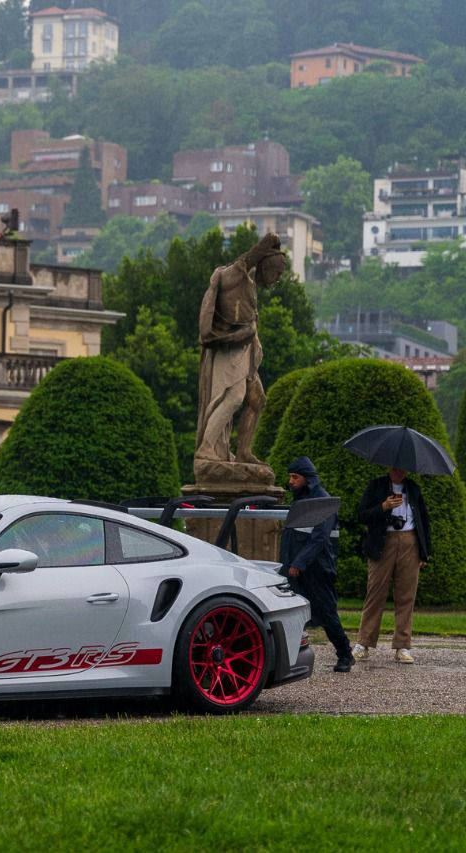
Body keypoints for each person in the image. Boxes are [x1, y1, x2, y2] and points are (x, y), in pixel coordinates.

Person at [194, 232, 288, 483]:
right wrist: (274, 240)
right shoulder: (236, 274)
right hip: (230, 349)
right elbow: (263, 243)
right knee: (233, 397)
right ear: (265, 264)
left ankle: (244, 451)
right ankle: (206, 448)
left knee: (257, 400)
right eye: (277, 273)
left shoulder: (250, 285)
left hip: (246, 351)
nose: (277, 279)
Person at [280, 456, 353, 673]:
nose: (291, 481)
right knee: (292, 614)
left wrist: (299, 563)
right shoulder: (300, 500)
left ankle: (345, 655)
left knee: (327, 614)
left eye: (295, 477)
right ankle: (293, 656)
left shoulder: (323, 501)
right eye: (290, 476)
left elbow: (320, 538)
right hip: (296, 567)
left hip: (317, 569)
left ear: (307, 479)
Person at [354, 466, 431, 664]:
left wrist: (424, 552)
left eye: (404, 468)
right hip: (382, 542)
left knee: (406, 595)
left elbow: (423, 520)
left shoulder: (413, 488)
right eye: (397, 468)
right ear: (389, 466)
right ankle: (364, 642)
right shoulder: (377, 486)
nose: (400, 471)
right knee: (375, 593)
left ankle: (402, 646)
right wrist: (384, 507)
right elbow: (362, 515)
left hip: (409, 542)